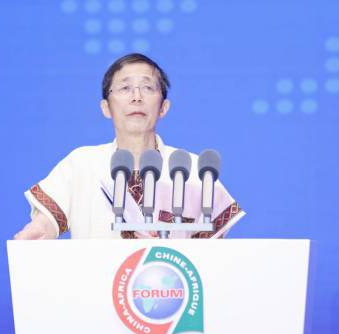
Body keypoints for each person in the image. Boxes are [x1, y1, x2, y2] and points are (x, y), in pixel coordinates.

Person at [14, 53, 244, 240]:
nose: (136, 97)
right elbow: (46, 223)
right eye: (125, 88)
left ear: (164, 107)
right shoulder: (81, 163)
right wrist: (39, 230)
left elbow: (212, 255)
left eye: (147, 88)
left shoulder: (193, 169)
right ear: (106, 107)